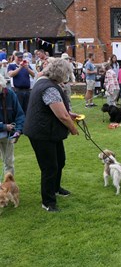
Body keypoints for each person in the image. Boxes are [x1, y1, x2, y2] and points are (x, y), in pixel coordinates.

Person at [23, 58, 79, 212]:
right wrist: (73, 128)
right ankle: (48, 202)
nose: (67, 78)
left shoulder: (44, 82)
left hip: (49, 132)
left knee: (60, 161)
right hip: (41, 133)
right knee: (49, 167)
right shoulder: (49, 88)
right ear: (61, 73)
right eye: (67, 74)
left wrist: (70, 114)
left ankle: (55, 188)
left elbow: (59, 110)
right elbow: (62, 116)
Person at [0, 74, 25, 175]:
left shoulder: (10, 94)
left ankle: (8, 187)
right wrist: (4, 127)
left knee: (9, 162)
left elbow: (19, 114)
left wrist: (18, 130)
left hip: (8, 135)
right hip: (5, 129)